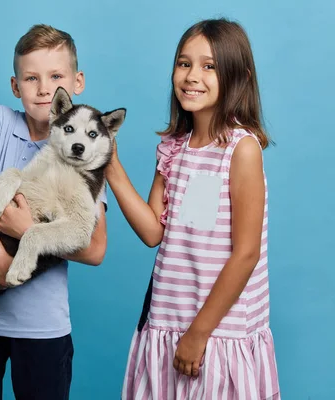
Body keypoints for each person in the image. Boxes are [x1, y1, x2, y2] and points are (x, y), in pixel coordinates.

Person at [107, 18, 280, 399]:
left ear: (239, 76)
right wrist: (113, 169)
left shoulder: (240, 150)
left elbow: (246, 253)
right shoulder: (173, 149)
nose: (191, 76)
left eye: (209, 66)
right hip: (167, 324)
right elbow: (155, 231)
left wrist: (199, 333)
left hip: (216, 334)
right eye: (184, 63)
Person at [0, 24, 108, 400]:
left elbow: (95, 248)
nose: (44, 89)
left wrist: (26, 231)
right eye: (31, 78)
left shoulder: (85, 150)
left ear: (77, 81)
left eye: (56, 76)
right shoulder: (2, 121)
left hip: (42, 326)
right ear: (15, 85)